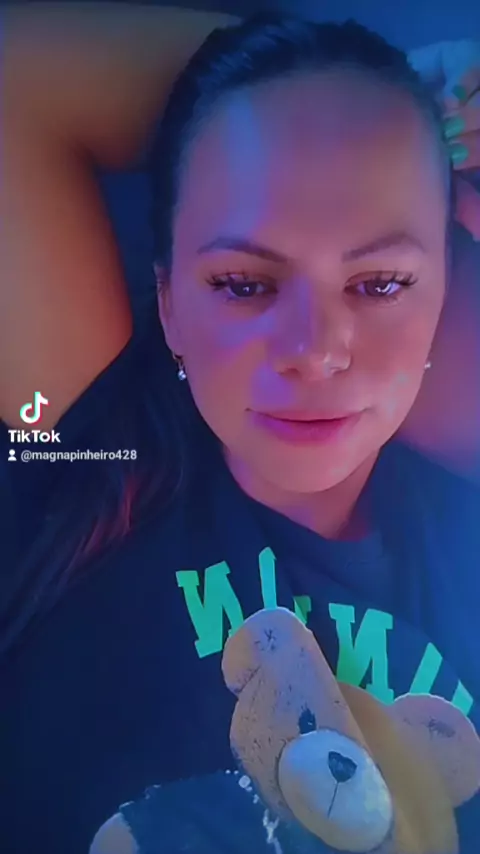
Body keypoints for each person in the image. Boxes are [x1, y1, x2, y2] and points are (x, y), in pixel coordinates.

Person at [1, 4, 480, 853]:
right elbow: (17, 73)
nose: (314, 351)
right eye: (243, 284)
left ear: (447, 290)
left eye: (379, 284)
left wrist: (389, 112)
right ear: (169, 303)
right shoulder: (86, 454)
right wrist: (378, 89)